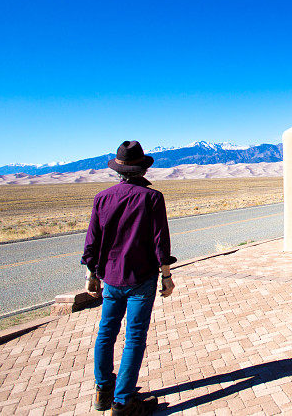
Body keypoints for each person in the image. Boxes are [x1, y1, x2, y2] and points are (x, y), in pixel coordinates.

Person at [81, 140, 177, 415]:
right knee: (134, 336)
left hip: (111, 276)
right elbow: (161, 241)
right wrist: (166, 275)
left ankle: (103, 390)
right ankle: (123, 401)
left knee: (106, 332)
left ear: (119, 171)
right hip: (141, 278)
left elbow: (92, 240)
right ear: (141, 169)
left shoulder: (103, 197)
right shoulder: (152, 197)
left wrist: (91, 274)